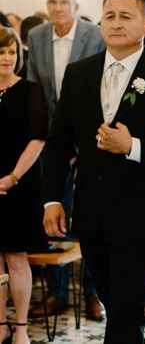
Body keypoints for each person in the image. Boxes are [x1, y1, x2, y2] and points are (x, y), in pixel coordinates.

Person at [41, 0, 145, 344]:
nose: (115, 23)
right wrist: (52, 199)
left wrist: (133, 146)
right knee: (118, 310)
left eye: (125, 16)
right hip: (91, 213)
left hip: (141, 213)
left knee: (125, 315)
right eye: (109, 15)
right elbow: (58, 142)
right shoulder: (79, 73)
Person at [27, 0, 105, 321]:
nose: (57, 8)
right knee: (53, 212)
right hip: (52, 140)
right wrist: (49, 138)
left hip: (89, 139)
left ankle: (92, 293)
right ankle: (58, 292)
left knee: (87, 217)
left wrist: (82, 140)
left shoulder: (95, 34)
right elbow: (34, 89)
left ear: (76, 5)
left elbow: (103, 87)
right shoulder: (38, 36)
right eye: (51, 2)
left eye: (63, 2)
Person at [0, 26, 48, 344]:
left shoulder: (30, 90)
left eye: (11, 52)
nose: (7, 58)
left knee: (16, 257)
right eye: (1, 52)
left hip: (19, 182)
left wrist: (12, 177)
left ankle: (19, 327)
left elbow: (38, 138)